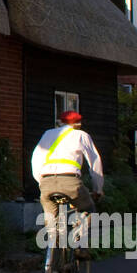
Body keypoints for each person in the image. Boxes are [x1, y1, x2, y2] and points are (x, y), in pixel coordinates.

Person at [31, 110, 104, 258]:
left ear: (60, 122)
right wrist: (98, 188)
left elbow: (35, 160)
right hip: (71, 182)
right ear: (78, 124)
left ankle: (53, 246)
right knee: (87, 209)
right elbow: (95, 164)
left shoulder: (47, 134)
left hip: (46, 181)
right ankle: (80, 245)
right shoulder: (81, 135)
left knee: (51, 216)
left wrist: (42, 183)